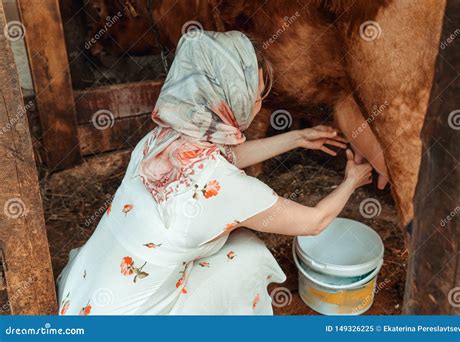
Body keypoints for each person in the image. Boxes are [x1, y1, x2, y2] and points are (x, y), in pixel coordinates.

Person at [57, 30, 373, 315]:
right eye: (255, 94)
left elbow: (223, 159)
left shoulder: (158, 138)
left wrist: (297, 138)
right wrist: (351, 181)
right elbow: (314, 222)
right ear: (229, 99)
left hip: (86, 294)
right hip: (132, 319)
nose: (259, 105)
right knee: (249, 255)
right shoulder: (227, 188)